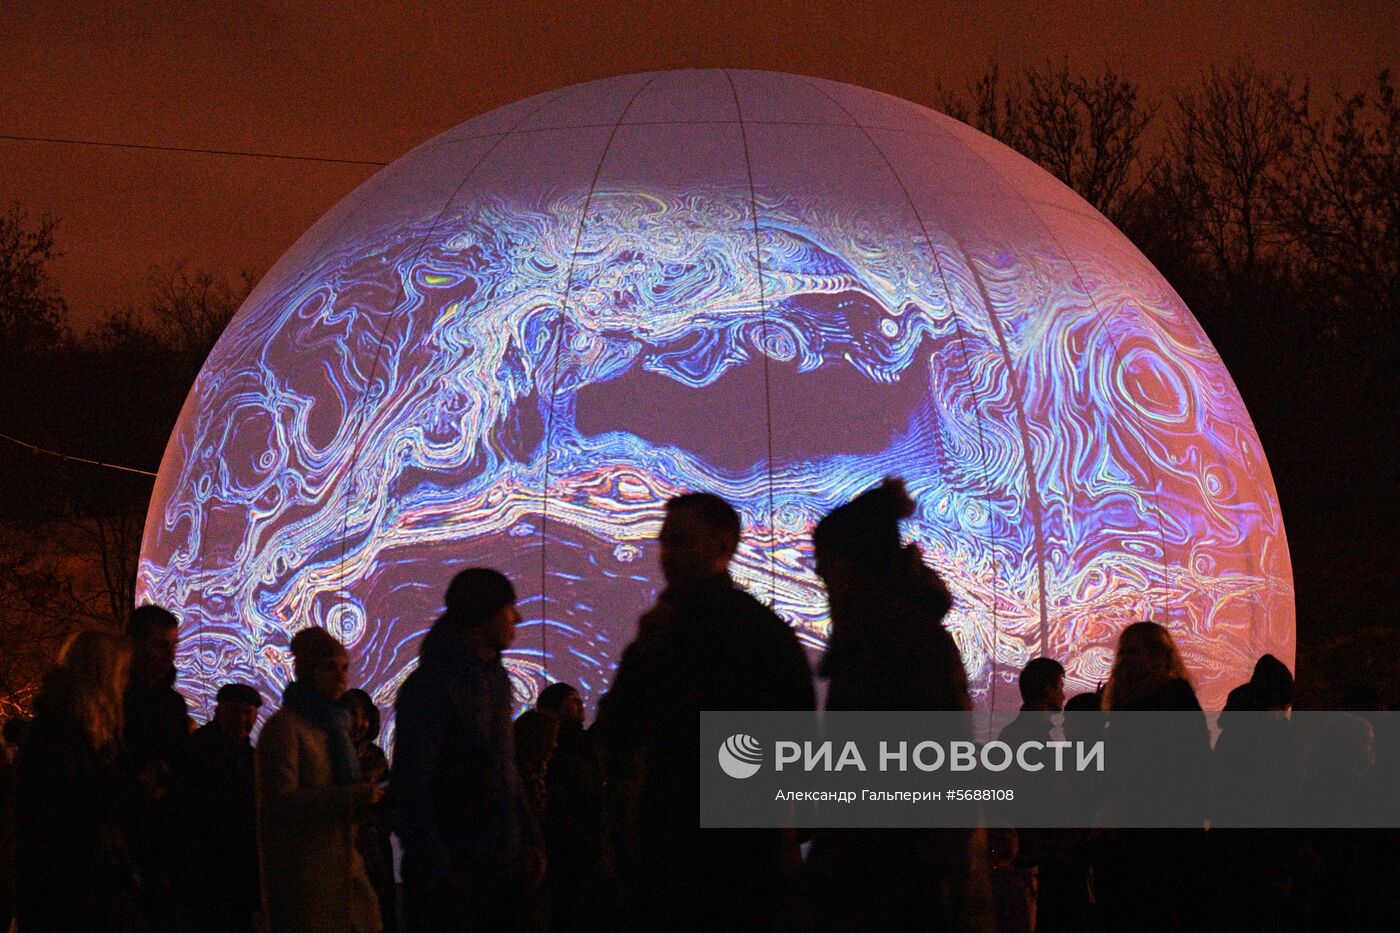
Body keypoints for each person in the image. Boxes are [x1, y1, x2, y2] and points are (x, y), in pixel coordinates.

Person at [595, 492, 815, 932]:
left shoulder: (668, 633)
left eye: (679, 542)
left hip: (678, 857)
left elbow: (616, 731)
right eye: (665, 542)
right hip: (747, 864)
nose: (667, 556)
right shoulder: (764, 633)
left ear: (722, 544)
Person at [802, 478, 986, 933]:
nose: (819, 572)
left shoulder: (896, 643)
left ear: (856, 566)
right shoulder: (890, 638)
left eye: (828, 561)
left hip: (894, 881)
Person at [393, 568, 545, 933]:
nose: (518, 619)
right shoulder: (432, 686)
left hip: (500, 864)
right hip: (460, 871)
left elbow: (505, 768)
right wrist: (437, 867)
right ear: (484, 614)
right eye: (510, 608)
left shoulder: (496, 680)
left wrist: (530, 838)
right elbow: (411, 781)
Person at [258, 627, 382, 933]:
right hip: (305, 877)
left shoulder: (336, 727)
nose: (341, 677)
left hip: (345, 868)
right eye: (330, 667)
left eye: (344, 668)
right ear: (309, 670)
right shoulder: (285, 728)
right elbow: (280, 802)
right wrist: (349, 797)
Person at [15, 629, 139, 932]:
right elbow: (72, 812)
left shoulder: (65, 730)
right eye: (120, 674)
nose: (124, 684)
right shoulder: (61, 735)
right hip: (67, 895)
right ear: (101, 676)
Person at [1094, 621, 1209, 933]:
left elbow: (1170, 766)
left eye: (1134, 652)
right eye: (1125, 653)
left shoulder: (1171, 700)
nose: (1127, 660)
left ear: (1159, 656)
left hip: (1159, 833)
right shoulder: (1147, 703)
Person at [170, 682, 265, 933]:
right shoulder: (198, 752)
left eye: (248, 713)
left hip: (235, 866)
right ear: (219, 711)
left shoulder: (249, 755)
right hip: (208, 866)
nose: (243, 720)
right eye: (236, 712)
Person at [123, 604, 190, 923]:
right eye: (161, 646)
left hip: (162, 842)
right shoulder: (112, 701)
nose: (169, 655)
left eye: (173, 646)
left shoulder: (172, 705)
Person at [536, 682, 610, 933]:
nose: (579, 705)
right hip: (567, 851)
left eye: (580, 700)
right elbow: (558, 805)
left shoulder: (587, 745)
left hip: (592, 841)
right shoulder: (550, 751)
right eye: (571, 700)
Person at [341, 688, 398, 933]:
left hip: (373, 852)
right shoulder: (326, 755)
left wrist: (377, 829)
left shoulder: (375, 756)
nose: (358, 723)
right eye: (350, 715)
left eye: (362, 716)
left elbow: (388, 804)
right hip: (339, 851)